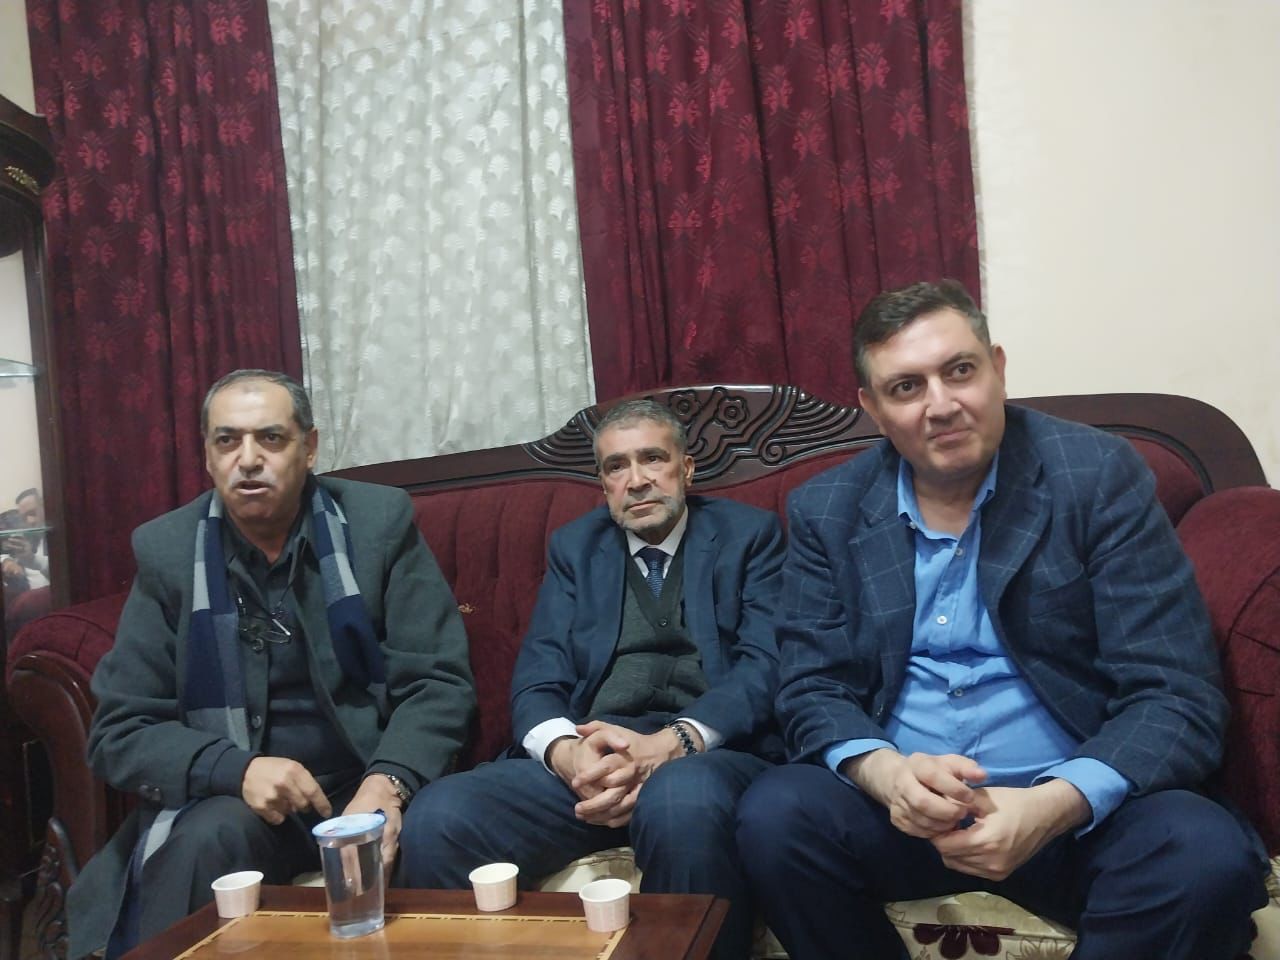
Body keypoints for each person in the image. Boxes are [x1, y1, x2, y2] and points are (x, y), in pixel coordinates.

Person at [736, 281, 1268, 960]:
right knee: (776, 814)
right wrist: (889, 777)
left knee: (1202, 854)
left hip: (1077, 813)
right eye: (906, 387)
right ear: (873, 408)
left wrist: (1053, 804)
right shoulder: (829, 507)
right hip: (902, 816)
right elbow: (812, 686)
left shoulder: (1097, 476)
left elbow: (1176, 693)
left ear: (998, 368)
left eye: (959, 370)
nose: (941, 405)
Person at [69, 370, 476, 959]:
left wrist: (388, 782)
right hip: (240, 796)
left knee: (438, 824)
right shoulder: (168, 551)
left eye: (271, 438)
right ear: (207, 456)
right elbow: (120, 730)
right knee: (205, 837)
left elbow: (437, 682)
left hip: (361, 777)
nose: (248, 459)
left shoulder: (377, 524)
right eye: (227, 440)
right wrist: (234, 770)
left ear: (309, 448)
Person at [399, 399, 784, 959]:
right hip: (594, 758)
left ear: (687, 469)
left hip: (708, 754)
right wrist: (568, 756)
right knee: (440, 816)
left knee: (680, 800)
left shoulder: (749, 535)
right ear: (603, 484)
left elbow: (764, 665)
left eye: (653, 459)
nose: (636, 479)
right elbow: (537, 679)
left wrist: (670, 744)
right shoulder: (575, 548)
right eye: (616, 466)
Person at [2, 489, 48, 588]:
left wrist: (32, 559)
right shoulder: (28, 535)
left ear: (46, 507)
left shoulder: (58, 536)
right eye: (24, 517)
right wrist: (7, 561)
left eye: (33, 513)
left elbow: (63, 574)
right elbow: (5, 552)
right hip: (23, 589)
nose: (30, 521)